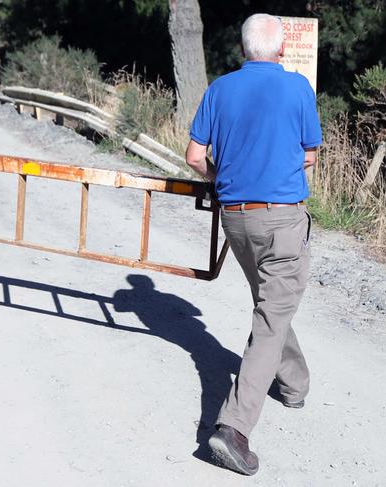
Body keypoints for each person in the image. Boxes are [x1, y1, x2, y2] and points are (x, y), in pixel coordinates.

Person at [184, 13, 322, 476]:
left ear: (243, 49)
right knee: (271, 313)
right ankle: (234, 429)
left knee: (272, 304)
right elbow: (309, 156)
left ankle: (294, 385)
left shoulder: (220, 89)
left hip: (235, 219)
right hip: (281, 218)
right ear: (281, 49)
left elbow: (195, 156)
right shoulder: (298, 87)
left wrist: (221, 179)